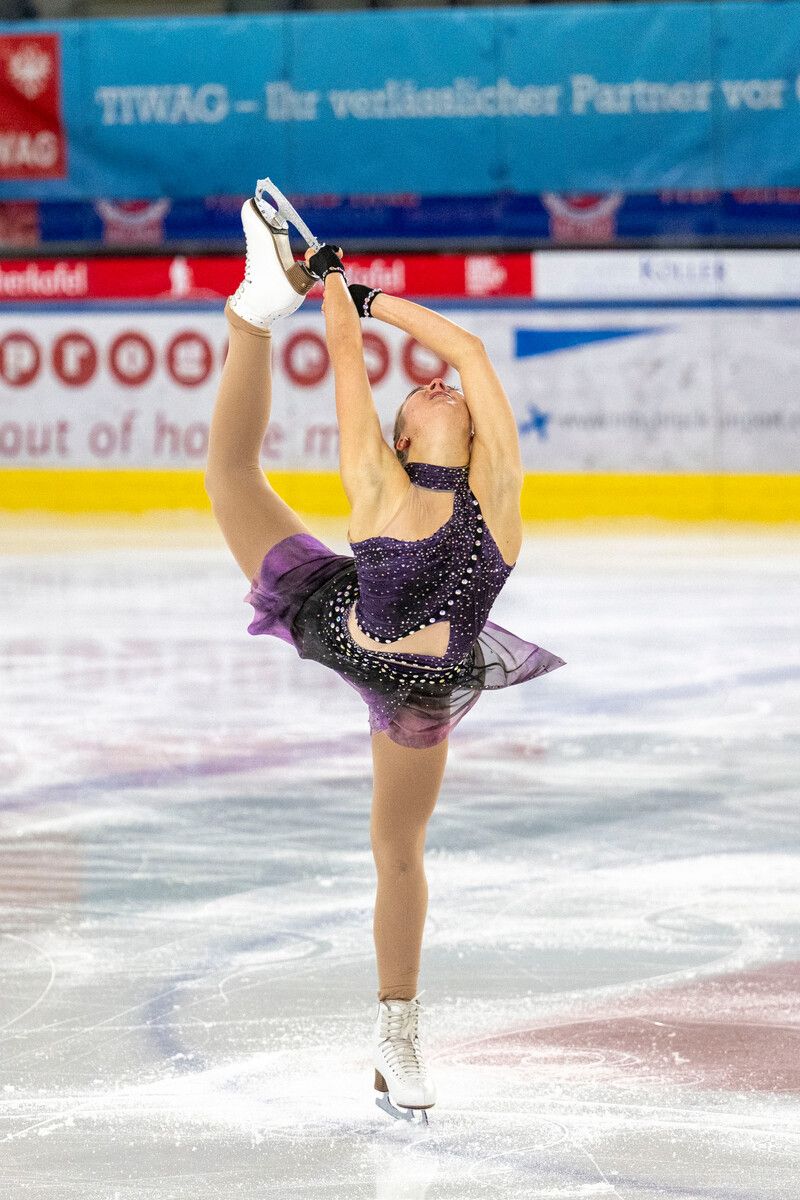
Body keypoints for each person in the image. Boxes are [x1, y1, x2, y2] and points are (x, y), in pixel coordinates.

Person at [204, 188, 566, 1124]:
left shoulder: (500, 494)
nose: (440, 385)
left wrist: (367, 296)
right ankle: (250, 311)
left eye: (443, 392)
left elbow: (471, 353)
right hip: (337, 616)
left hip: (422, 688)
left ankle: (396, 1036)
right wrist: (330, 299)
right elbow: (348, 371)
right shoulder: (375, 481)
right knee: (232, 476)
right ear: (402, 439)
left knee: (396, 848)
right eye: (422, 394)